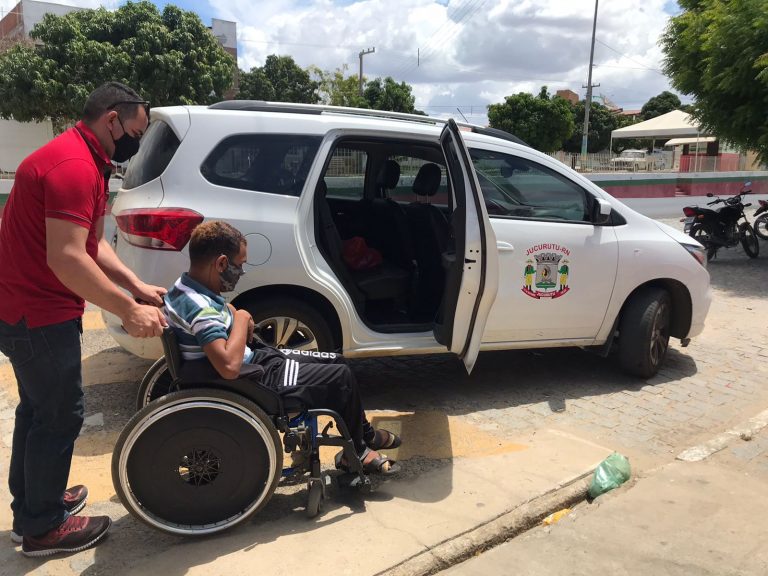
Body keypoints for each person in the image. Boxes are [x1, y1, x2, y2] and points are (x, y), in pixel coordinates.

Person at [0, 82, 168, 557]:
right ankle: (43, 528)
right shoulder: (72, 165)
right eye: (136, 131)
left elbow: (91, 245)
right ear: (112, 119)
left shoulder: (87, 161)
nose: (137, 142)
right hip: (37, 313)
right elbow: (68, 258)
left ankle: (34, 509)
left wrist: (136, 286)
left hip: (32, 309)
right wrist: (127, 310)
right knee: (58, 415)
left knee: (38, 411)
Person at [163, 220, 401, 476]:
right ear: (221, 264)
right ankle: (358, 452)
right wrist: (241, 317)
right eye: (239, 265)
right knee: (340, 377)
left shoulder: (183, 289)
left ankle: (364, 435)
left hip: (256, 361)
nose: (241, 272)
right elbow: (229, 367)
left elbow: (211, 320)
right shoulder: (201, 308)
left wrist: (230, 311)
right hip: (254, 379)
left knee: (336, 361)